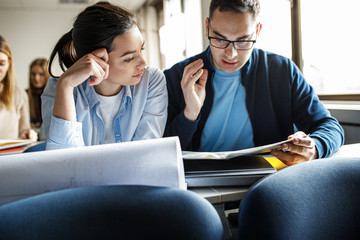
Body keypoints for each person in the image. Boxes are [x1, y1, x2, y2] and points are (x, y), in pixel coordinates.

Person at [164, 0, 344, 166]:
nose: (231, 54)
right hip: (199, 184)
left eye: (242, 41)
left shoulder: (282, 71)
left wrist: (315, 147)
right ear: (207, 27)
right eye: (220, 39)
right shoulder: (177, 76)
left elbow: (330, 127)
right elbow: (161, 152)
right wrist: (190, 115)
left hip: (267, 182)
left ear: (257, 31)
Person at [42, 1, 167, 150]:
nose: (143, 62)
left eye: (142, 49)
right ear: (98, 59)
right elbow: (63, 162)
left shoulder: (151, 81)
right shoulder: (58, 89)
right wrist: (66, 86)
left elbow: (144, 155)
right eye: (129, 58)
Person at [0, 35, 38, 141]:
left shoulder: (19, 94)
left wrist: (28, 135)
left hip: (10, 156)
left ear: (9, 63)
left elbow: (24, 130)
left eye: (1, 64)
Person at [27, 58, 50, 129]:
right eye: (33, 74)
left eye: (41, 74)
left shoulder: (53, 95)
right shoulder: (25, 95)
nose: (36, 78)